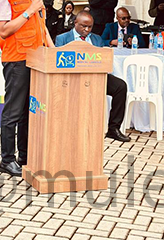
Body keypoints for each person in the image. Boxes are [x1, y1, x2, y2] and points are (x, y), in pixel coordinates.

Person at [0, 0, 54, 177]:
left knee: (29, 111)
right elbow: (3, 30)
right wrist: (29, 11)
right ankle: (7, 160)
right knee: (13, 112)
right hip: (17, 59)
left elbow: (42, 27)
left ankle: (25, 156)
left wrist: (53, 52)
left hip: (37, 59)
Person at [55, 11, 130, 143]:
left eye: (90, 27)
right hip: (73, 79)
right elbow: (58, 63)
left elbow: (102, 59)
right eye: (84, 26)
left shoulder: (96, 39)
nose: (87, 30)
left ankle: (113, 128)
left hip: (96, 76)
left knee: (120, 86)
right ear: (75, 23)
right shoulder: (62, 38)